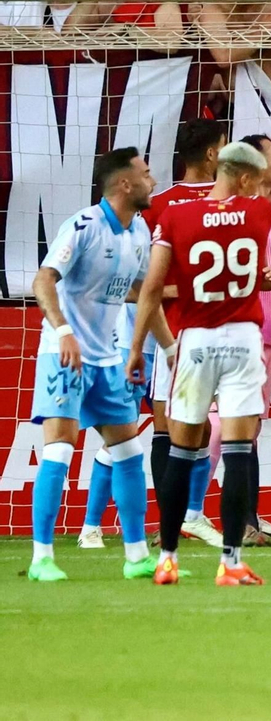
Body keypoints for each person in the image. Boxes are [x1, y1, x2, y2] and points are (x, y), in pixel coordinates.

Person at [124, 141, 271, 587]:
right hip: (244, 343)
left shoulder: (175, 216)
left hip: (194, 342)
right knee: (237, 449)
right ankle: (230, 563)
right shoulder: (259, 214)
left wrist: (138, 348)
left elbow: (151, 289)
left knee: (181, 449)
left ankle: (167, 558)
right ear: (247, 178)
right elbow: (258, 246)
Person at [28, 148, 158, 582]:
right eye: (145, 173)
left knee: (128, 451)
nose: (152, 179)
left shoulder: (139, 230)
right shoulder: (83, 226)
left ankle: (137, 557)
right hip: (65, 353)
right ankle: (41, 558)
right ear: (125, 184)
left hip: (107, 357)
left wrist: (169, 350)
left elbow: (145, 293)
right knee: (60, 449)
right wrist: (63, 331)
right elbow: (43, 279)